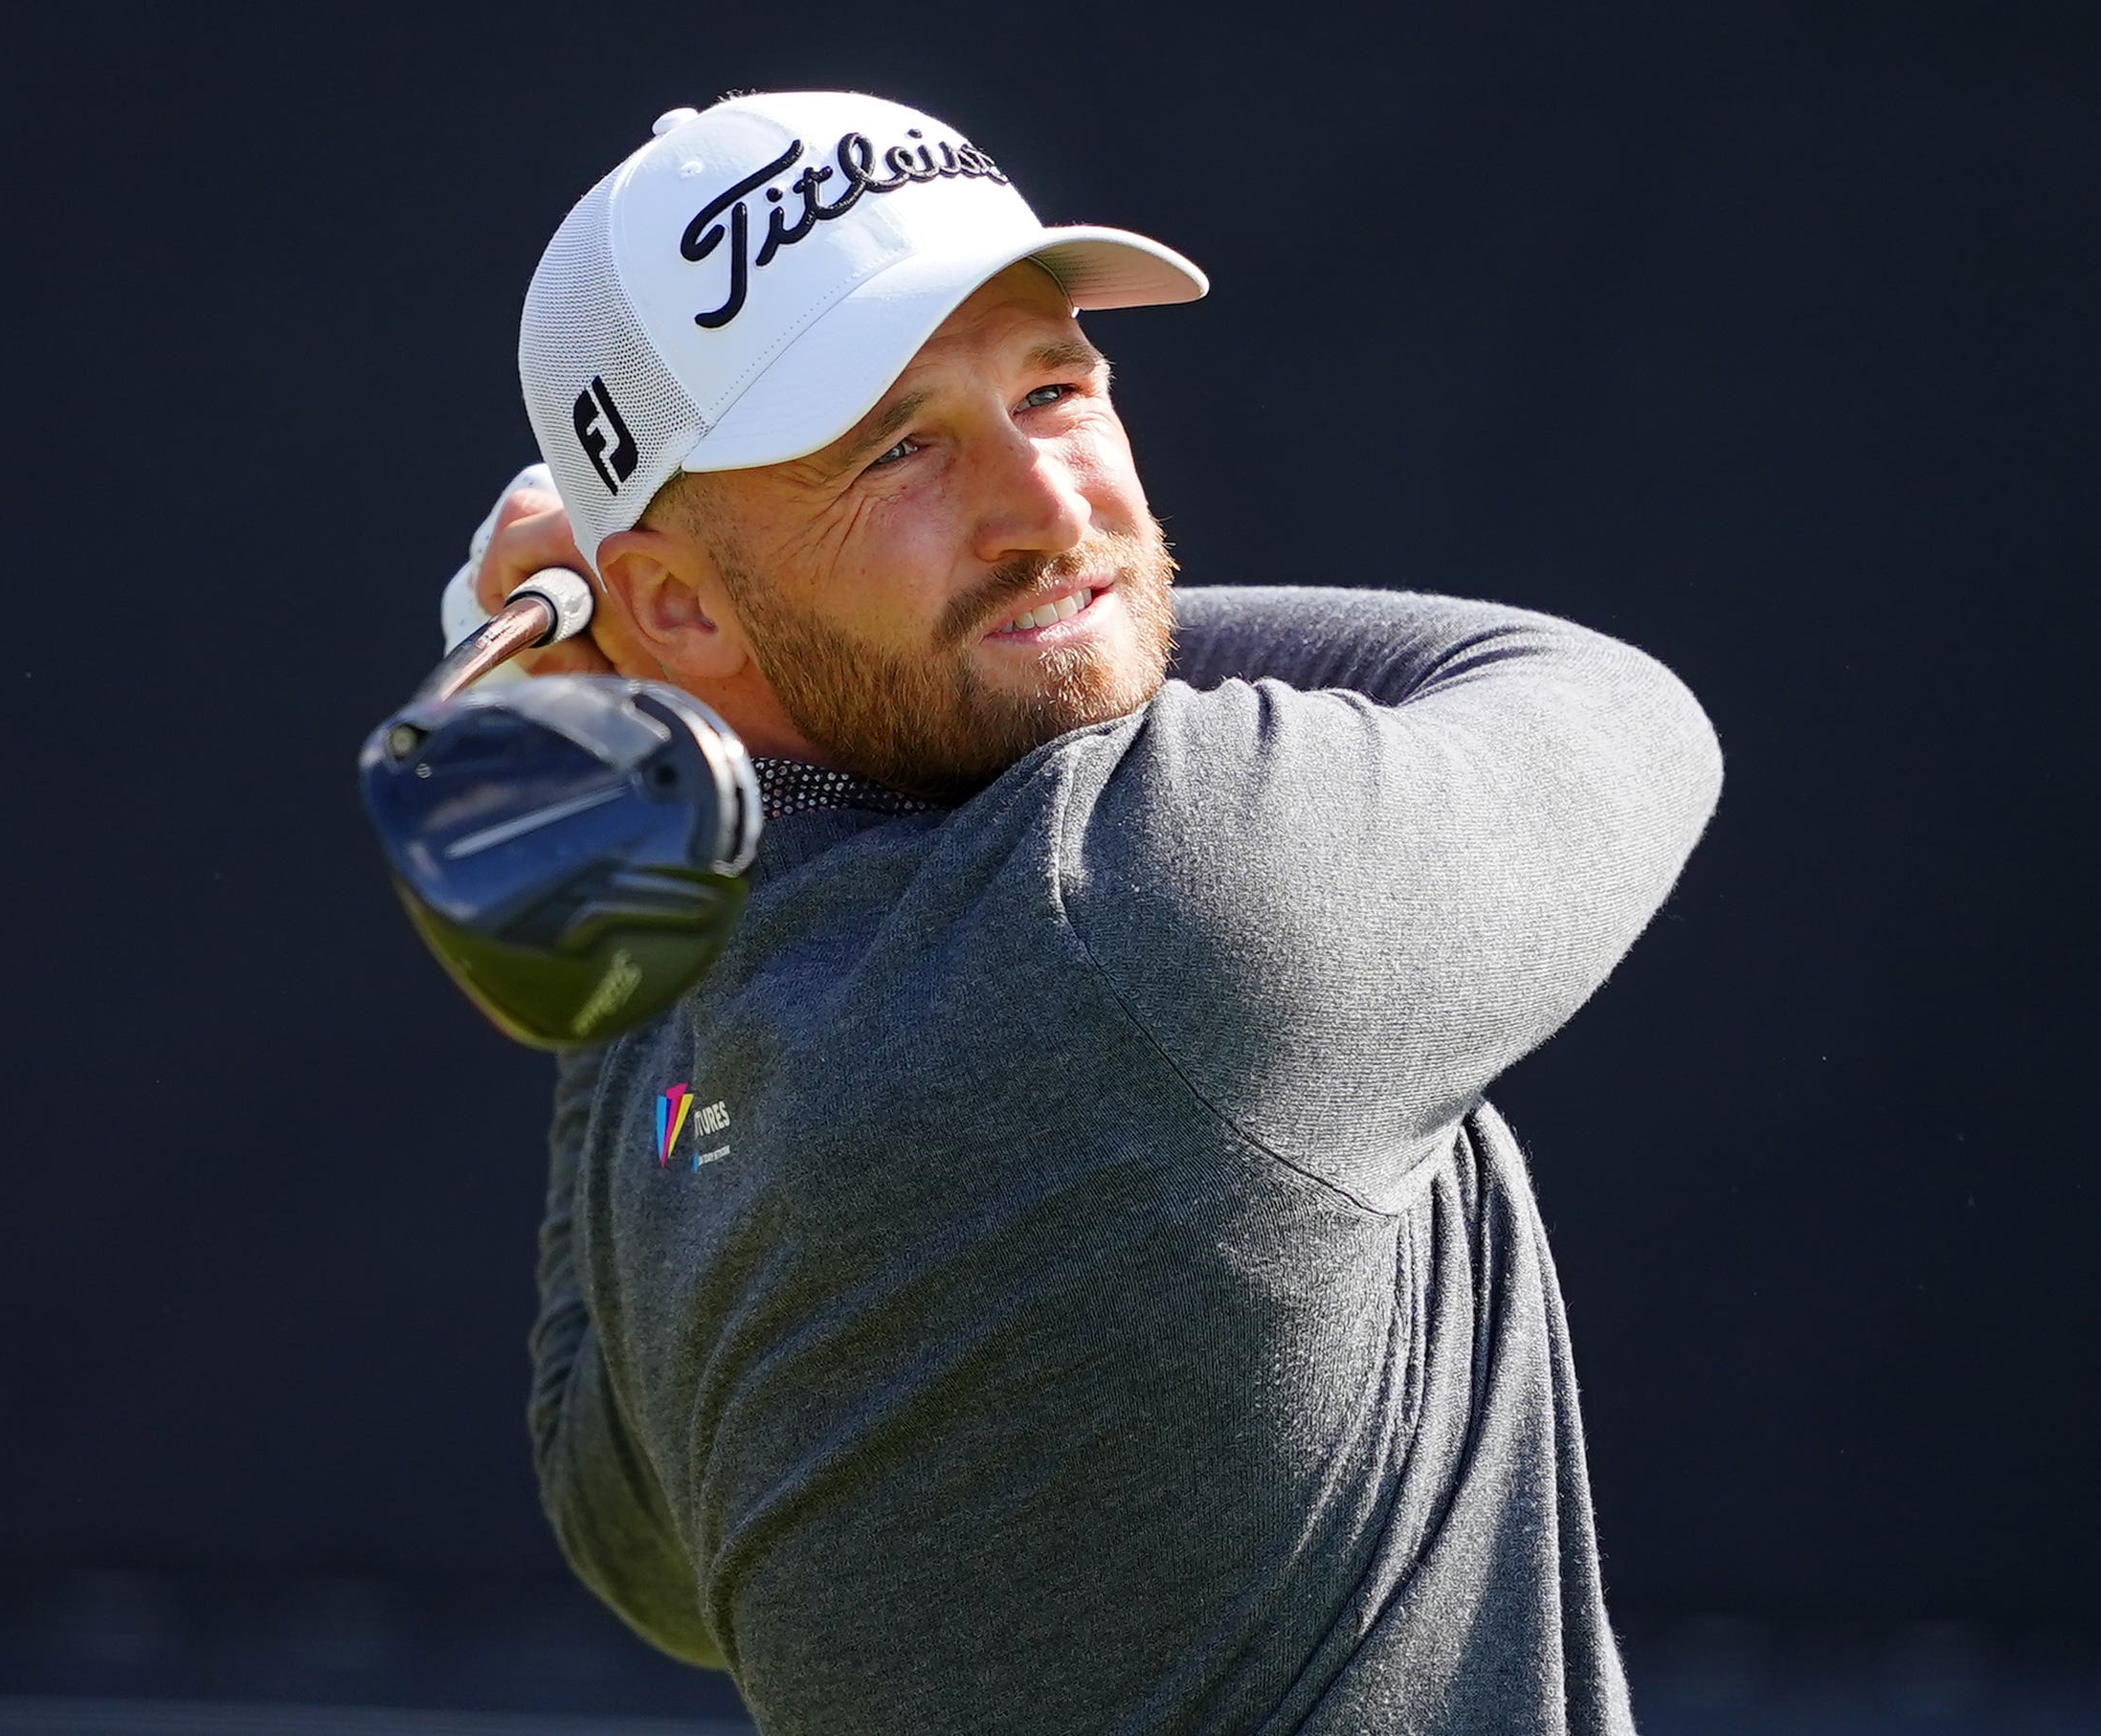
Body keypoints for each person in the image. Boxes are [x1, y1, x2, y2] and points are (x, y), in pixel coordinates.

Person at [450, 89, 1722, 1736]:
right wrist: (1046, 624)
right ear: (681, 598)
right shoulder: (1150, 904)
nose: (1048, 507)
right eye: (896, 446)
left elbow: (639, 1544)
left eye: (1054, 387)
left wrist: (644, 719)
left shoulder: (687, 1083)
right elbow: (1609, 705)